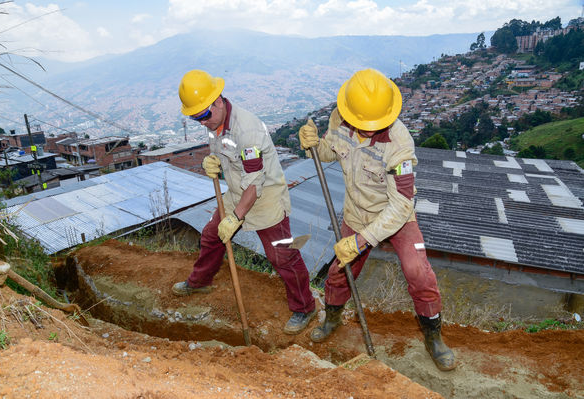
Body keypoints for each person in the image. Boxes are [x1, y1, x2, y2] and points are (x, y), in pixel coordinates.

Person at [298, 68, 456, 371]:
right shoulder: (339, 119)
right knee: (339, 271)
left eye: (375, 124)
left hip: (396, 216)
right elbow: (329, 153)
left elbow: (401, 204)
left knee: (418, 271)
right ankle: (332, 319)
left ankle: (433, 337)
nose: (368, 129)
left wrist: (361, 240)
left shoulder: (400, 145)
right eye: (362, 123)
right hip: (357, 213)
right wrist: (313, 144)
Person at [172, 69, 316, 334]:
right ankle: (200, 281)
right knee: (210, 236)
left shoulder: (247, 129)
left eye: (203, 115)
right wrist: (214, 163)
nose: (201, 122)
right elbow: (229, 160)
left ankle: (305, 307)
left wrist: (235, 217)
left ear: (217, 101)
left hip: (265, 196)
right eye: (195, 118)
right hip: (239, 192)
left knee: (281, 254)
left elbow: (255, 181)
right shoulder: (214, 122)